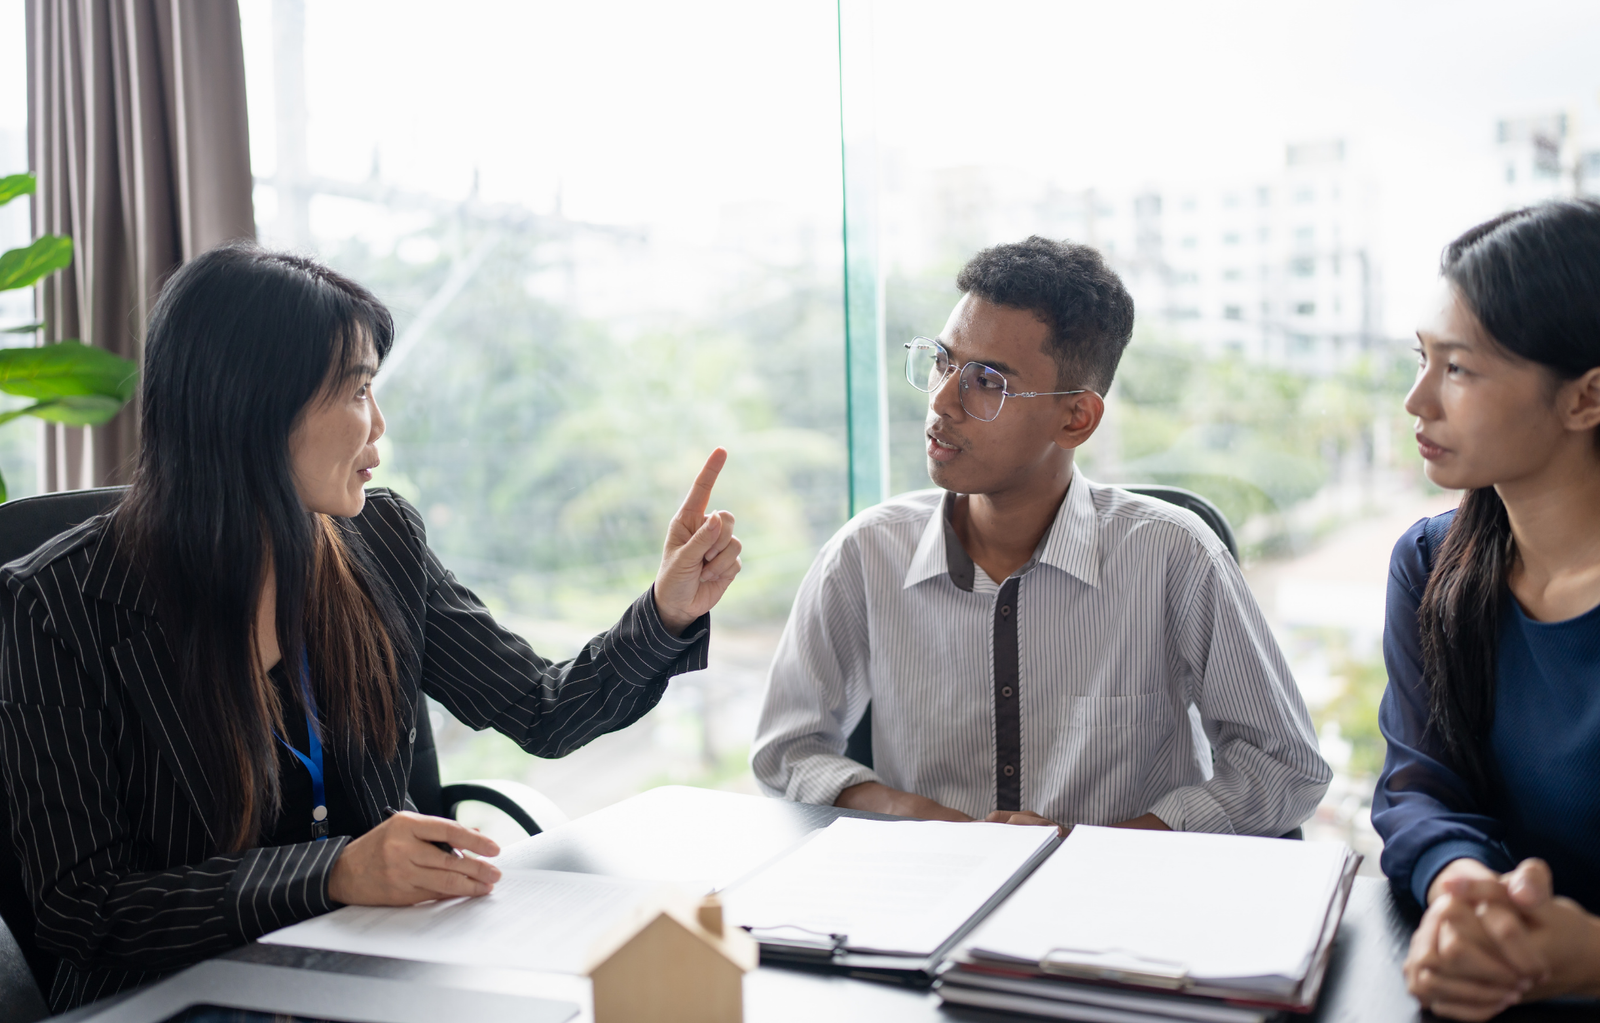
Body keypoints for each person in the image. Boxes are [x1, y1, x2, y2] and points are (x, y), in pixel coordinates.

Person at [0, 245, 742, 1011]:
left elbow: (544, 709)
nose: (379, 424)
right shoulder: (57, 606)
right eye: (357, 390)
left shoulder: (381, 540)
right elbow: (81, 907)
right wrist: (330, 871)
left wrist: (666, 611)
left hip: (378, 968)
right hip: (175, 995)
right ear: (253, 407)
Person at [750, 236, 1329, 835]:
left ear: (1075, 417)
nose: (942, 400)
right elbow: (785, 750)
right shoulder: (866, 552)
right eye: (943, 362)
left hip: (1114, 906)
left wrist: (1099, 847)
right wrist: (910, 811)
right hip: (927, 898)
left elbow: (1285, 768)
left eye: (986, 381)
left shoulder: (1173, 556)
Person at [1373, 199, 1600, 1020]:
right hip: (1489, 985)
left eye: (1458, 369)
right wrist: (1461, 884)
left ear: (1586, 397)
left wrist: (1590, 959)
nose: (1417, 400)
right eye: (1421, 358)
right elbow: (1419, 788)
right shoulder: (1432, 563)